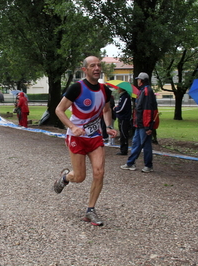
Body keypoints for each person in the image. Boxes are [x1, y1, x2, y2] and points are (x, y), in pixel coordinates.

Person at [54, 56, 117, 226]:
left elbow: (106, 109)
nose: (97, 68)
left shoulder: (105, 90)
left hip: (95, 137)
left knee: (99, 172)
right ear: (85, 70)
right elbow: (59, 110)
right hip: (76, 137)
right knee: (80, 177)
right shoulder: (77, 88)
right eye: (92, 66)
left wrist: (108, 125)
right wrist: (73, 127)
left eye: (98, 65)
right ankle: (66, 178)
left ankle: (90, 210)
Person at [120, 72, 159, 173]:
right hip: (139, 123)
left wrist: (149, 127)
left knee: (146, 145)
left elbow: (147, 110)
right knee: (136, 143)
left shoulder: (147, 91)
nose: (137, 81)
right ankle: (130, 163)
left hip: (144, 124)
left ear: (142, 80)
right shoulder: (142, 91)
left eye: (138, 79)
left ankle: (148, 165)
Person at [114, 87, 132, 155]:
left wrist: (115, 110)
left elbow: (122, 108)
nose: (117, 90)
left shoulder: (125, 97)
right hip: (122, 118)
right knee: (122, 133)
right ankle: (123, 149)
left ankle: (124, 150)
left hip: (124, 118)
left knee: (124, 134)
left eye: (119, 89)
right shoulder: (122, 97)